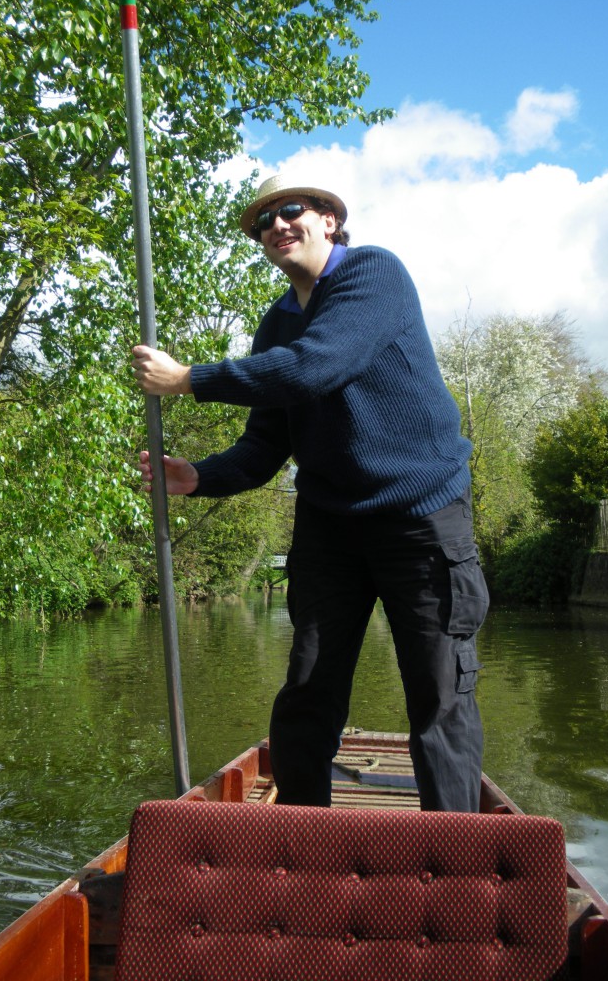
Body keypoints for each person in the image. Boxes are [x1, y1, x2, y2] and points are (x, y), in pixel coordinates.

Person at [132, 174, 489, 812]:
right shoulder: (276, 325)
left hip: (422, 516)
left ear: (328, 219)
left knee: (439, 694)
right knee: (307, 688)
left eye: (290, 211)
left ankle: (453, 852)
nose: (276, 226)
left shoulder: (373, 276)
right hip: (330, 525)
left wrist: (188, 379)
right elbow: (264, 446)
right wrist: (201, 477)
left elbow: (316, 365)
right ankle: (299, 834)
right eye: (263, 222)